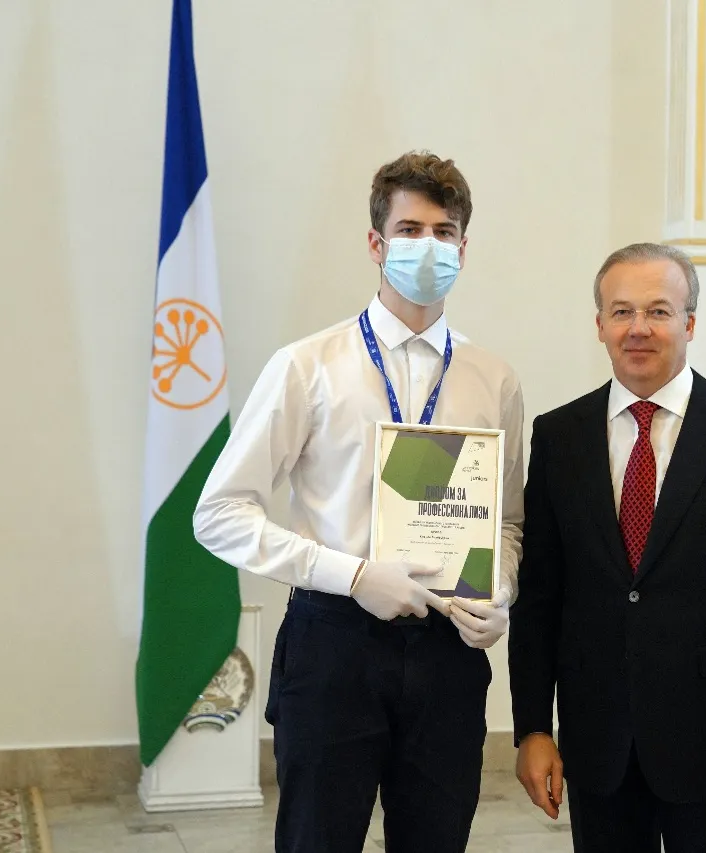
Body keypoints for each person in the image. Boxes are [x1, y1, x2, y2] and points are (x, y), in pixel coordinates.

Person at [192, 151, 523, 853]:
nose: (428, 246)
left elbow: (509, 521)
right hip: (334, 643)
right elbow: (219, 513)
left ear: (464, 249)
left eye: (444, 232)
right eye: (410, 230)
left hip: (447, 650)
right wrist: (353, 575)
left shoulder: (493, 378)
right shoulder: (307, 366)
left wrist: (499, 589)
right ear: (376, 243)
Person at [508, 242, 706, 853]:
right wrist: (533, 729)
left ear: (690, 323)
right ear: (599, 325)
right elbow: (540, 597)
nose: (638, 328)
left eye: (659, 311)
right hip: (599, 746)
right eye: (622, 311)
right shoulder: (559, 436)